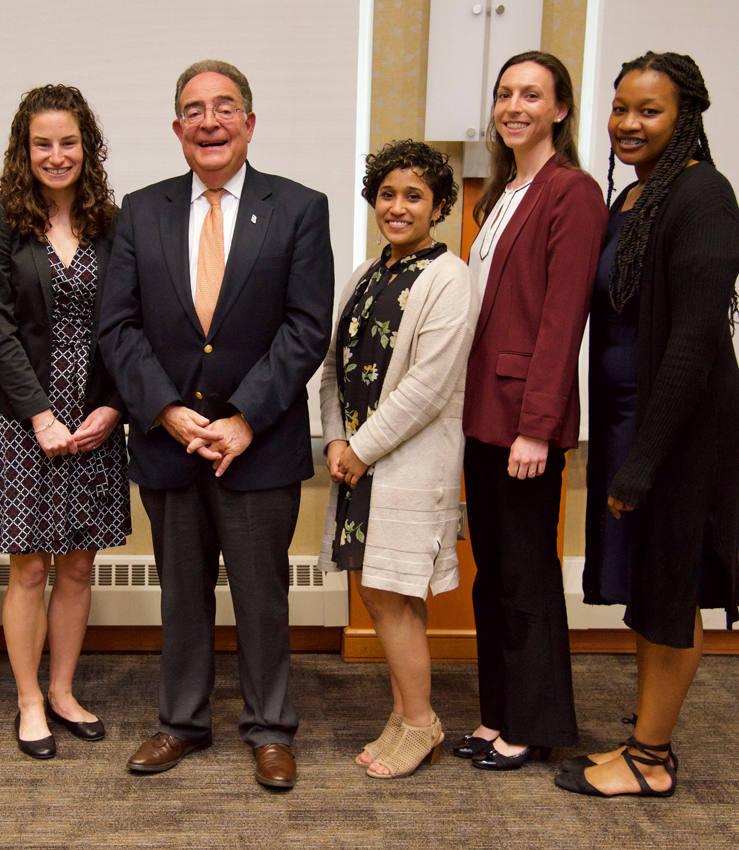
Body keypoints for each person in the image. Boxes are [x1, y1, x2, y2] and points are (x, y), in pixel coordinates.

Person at [99, 59, 334, 788]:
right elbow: (119, 327)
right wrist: (167, 412)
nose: (210, 121)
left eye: (224, 107)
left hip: (257, 447)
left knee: (263, 597)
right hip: (169, 445)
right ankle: (181, 723)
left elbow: (305, 327)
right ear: (177, 129)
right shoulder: (140, 210)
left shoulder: (298, 206)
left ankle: (269, 729)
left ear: (250, 123)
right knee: (181, 593)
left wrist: (242, 419)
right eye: (194, 111)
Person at [555, 52, 739, 799]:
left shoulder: (703, 195)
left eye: (649, 111)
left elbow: (695, 340)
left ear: (686, 116)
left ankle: (652, 760)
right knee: (648, 582)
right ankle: (645, 741)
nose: (628, 125)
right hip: (634, 418)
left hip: (684, 423)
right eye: (621, 108)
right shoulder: (634, 198)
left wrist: (642, 461)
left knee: (675, 582)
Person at [0, 85, 128, 760]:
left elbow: (128, 323)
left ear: (87, 146)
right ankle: (28, 700)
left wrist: (112, 408)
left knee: (79, 565)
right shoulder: (0, 219)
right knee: (29, 568)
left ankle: (62, 691)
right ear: (23, 150)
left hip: (94, 413)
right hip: (19, 414)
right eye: (42, 143)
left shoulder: (113, 221)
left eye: (68, 142)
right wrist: (41, 415)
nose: (56, 155)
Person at [457, 51, 607, 770]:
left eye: (531, 95)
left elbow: (561, 318)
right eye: (504, 94)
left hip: (524, 423)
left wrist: (537, 427)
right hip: (481, 415)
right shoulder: (498, 193)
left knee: (526, 573)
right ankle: (497, 714)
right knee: (495, 572)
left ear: (560, 109)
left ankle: (534, 724)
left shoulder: (571, 192)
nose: (514, 105)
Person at [318, 140, 478, 779]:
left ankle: (420, 722)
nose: (398, 206)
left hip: (406, 462)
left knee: (395, 592)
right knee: (375, 590)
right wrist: (335, 439)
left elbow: (430, 386)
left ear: (438, 205)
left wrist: (359, 448)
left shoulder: (450, 277)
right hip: (356, 461)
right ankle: (405, 713)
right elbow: (331, 367)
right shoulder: (365, 273)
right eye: (387, 193)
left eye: (414, 195)